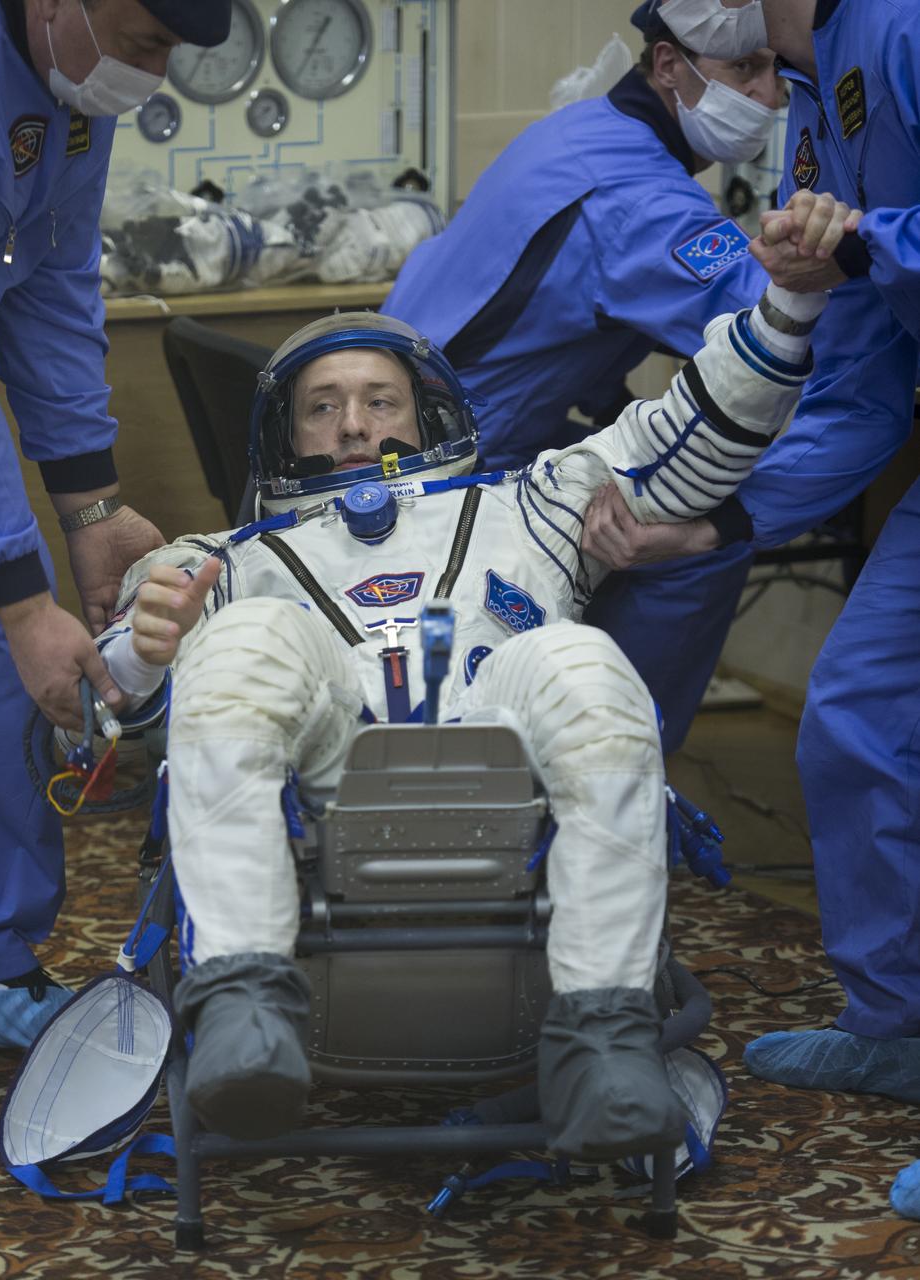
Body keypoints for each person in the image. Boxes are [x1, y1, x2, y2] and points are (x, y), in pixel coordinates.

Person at [92, 280, 824, 1159]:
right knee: (245, 638)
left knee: (580, 659)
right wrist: (144, 650)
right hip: (326, 789)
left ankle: (601, 1039)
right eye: (323, 407)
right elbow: (94, 718)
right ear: (284, 436)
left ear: (428, 413)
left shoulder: (537, 503)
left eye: (379, 400)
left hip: (513, 771)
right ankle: (245, 1010)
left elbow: (689, 434)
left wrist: (788, 305)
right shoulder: (218, 565)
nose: (354, 425)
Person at [0, 0, 232, 1140]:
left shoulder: (71, 81)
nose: (151, 74)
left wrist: (93, 505)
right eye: (145, 42)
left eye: (171, 52)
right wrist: (26, 596)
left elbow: (54, 289)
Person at [587, 0, 920, 1211]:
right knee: (858, 716)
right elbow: (865, 379)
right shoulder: (815, 82)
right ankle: (898, 1020)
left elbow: (872, 254)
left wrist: (870, 241)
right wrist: (716, 521)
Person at [381, 5, 783, 754]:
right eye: (746, 70)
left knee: (634, 470)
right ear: (669, 66)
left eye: (776, 69)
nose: (774, 94)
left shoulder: (578, 132)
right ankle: (614, 768)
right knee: (702, 534)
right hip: (453, 475)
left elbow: (559, 314)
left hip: (397, 435)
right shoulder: (649, 202)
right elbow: (776, 332)